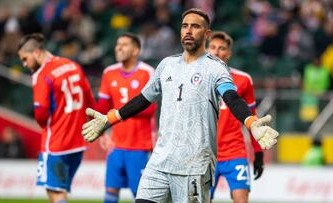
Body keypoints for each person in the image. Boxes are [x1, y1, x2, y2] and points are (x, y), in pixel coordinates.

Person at [82, 8, 279, 203]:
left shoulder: (215, 68)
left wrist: (252, 122)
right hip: (160, 161)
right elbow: (142, 99)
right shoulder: (166, 65)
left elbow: (232, 98)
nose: (188, 31)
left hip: (194, 165)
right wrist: (109, 119)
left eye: (195, 26)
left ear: (206, 34)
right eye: (185, 26)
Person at [18, 33, 95, 203]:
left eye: (25, 59)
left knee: (54, 192)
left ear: (37, 53)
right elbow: (90, 99)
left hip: (56, 143)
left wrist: (45, 124)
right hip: (78, 144)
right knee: (60, 190)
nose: (24, 64)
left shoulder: (42, 74)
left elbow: (40, 114)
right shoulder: (72, 65)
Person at [94, 33, 157, 203]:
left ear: (136, 50)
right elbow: (102, 108)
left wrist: (120, 112)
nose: (118, 48)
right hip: (116, 144)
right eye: (117, 44)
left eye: (124, 44)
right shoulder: (109, 72)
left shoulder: (147, 72)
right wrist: (102, 133)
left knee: (140, 193)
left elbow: (150, 110)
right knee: (110, 190)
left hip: (140, 144)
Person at [207, 31, 264, 203]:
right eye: (213, 47)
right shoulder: (197, 79)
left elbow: (252, 118)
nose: (216, 52)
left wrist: (258, 153)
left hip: (235, 152)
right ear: (206, 50)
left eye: (222, 48)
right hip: (205, 154)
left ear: (229, 53)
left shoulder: (243, 80)